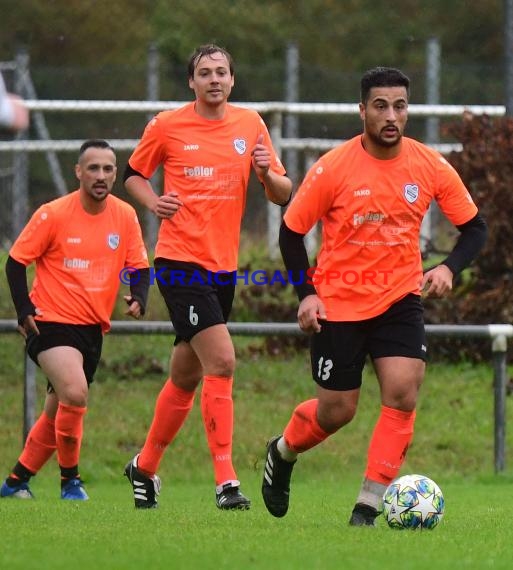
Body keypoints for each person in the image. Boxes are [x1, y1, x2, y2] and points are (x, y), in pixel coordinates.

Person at [261, 67, 487, 526]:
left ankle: (367, 506)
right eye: (380, 106)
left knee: (403, 393)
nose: (391, 115)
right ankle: (282, 452)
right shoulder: (334, 166)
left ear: (408, 111)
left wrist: (447, 267)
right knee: (336, 412)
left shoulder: (428, 165)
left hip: (400, 299)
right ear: (362, 110)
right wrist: (306, 295)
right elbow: (291, 234)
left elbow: (475, 228)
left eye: (400, 106)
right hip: (338, 303)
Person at [123, 44, 292, 510]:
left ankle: (145, 466)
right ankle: (226, 482)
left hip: (223, 270)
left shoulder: (250, 124)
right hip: (179, 263)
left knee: (184, 376)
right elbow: (133, 174)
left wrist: (266, 173)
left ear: (232, 81)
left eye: (221, 72)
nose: (214, 79)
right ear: (191, 82)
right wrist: (153, 202)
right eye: (204, 72)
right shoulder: (167, 125)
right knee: (222, 361)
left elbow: (282, 191)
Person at [1, 139, 150, 500]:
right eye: (93, 168)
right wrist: (24, 311)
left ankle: (16, 482)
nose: (101, 176)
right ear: (78, 172)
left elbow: (140, 266)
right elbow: (16, 262)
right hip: (49, 322)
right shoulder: (53, 213)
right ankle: (71, 481)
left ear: (116, 173)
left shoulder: (124, 215)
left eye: (108, 169)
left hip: (92, 329)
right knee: (74, 392)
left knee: (58, 416)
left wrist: (139, 297)